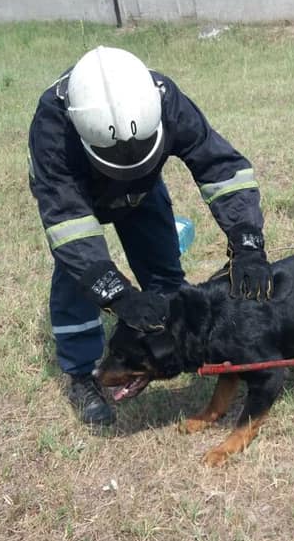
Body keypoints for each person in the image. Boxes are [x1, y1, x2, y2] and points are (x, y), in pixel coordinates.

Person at [29, 45, 273, 427]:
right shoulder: (52, 128)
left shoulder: (165, 99)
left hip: (144, 192)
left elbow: (221, 168)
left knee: (164, 276)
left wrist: (246, 240)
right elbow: (68, 224)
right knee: (78, 277)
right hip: (80, 196)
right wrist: (117, 294)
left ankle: (178, 351)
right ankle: (81, 373)